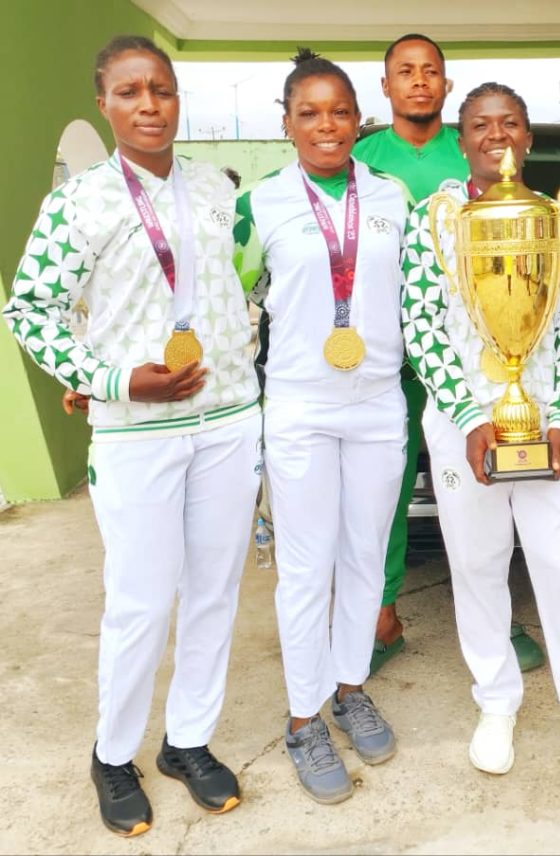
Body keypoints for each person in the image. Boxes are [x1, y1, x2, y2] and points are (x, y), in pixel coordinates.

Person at [3, 35, 261, 836]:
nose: (149, 104)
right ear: (104, 104)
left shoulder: (218, 190)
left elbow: (236, 287)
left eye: (162, 89)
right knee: (142, 602)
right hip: (136, 429)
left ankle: (189, 741)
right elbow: (29, 310)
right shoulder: (78, 202)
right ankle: (113, 754)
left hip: (225, 423)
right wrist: (110, 379)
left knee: (217, 591)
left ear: (179, 99)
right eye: (130, 91)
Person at [401, 82, 560, 798]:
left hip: (551, 430)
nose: (497, 135)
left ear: (529, 137)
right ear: (460, 141)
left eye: (511, 123)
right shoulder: (435, 224)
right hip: (468, 431)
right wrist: (468, 417)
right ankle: (497, 703)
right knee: (479, 570)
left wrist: (559, 418)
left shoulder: (557, 219)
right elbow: (423, 330)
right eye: (480, 125)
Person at [234, 49, 406, 804]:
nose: (327, 125)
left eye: (339, 111)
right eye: (310, 112)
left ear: (357, 117)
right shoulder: (262, 203)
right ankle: (304, 719)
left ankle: (349, 687)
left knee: (364, 557)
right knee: (306, 568)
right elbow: (215, 298)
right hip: (301, 401)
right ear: (287, 123)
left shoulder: (393, 196)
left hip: (376, 400)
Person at [354, 33, 545, 675]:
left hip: (474, 360)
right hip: (381, 354)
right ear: (385, 86)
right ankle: (380, 614)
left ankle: (499, 617)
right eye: (404, 72)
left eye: (429, 71)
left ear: (446, 83)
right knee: (384, 490)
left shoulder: (478, 151)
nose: (417, 81)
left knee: (486, 485)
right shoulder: (360, 156)